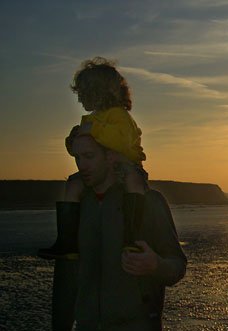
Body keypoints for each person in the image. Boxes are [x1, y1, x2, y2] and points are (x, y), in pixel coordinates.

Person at [48, 133, 186, 331]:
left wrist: (156, 265)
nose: (81, 165)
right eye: (77, 157)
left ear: (111, 156)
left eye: (89, 156)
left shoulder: (148, 202)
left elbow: (177, 265)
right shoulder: (75, 207)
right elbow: (65, 279)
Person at [38, 56, 147, 260]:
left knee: (134, 181)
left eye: (83, 93)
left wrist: (92, 129)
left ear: (98, 92)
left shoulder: (118, 115)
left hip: (128, 166)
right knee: (73, 185)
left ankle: (132, 237)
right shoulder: (90, 119)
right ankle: (67, 242)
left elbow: (121, 141)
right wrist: (73, 141)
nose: (79, 99)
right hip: (100, 171)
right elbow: (79, 150)